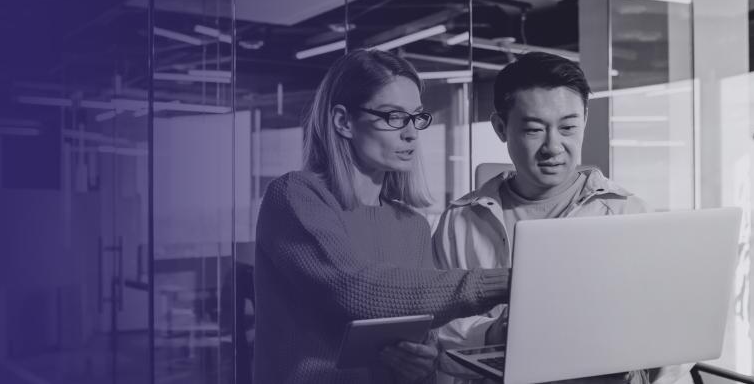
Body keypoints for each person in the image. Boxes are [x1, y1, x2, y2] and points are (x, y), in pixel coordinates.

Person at [253, 49, 511, 384]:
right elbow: (354, 288)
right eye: (393, 116)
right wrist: (501, 283)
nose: (411, 133)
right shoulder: (295, 196)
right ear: (343, 122)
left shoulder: (411, 225)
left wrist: (424, 361)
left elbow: (423, 335)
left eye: (416, 117)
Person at [432, 52, 692, 384]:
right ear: (500, 128)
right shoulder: (459, 223)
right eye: (534, 130)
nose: (553, 146)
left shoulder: (627, 213)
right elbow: (435, 328)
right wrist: (493, 333)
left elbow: (675, 335)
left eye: (568, 127)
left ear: (585, 119)